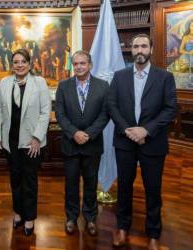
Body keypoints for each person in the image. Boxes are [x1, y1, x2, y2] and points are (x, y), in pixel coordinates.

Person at [108, 34, 177, 250]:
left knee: (153, 189)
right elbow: (112, 105)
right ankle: (122, 227)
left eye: (144, 46)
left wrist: (146, 130)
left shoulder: (164, 77)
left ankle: (154, 233)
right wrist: (127, 130)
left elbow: (170, 109)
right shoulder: (119, 76)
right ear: (131, 49)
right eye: (136, 46)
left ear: (151, 49)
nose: (139, 50)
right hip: (125, 140)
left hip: (153, 142)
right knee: (124, 188)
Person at [0, 48, 51, 236]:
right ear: (12, 64)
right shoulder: (4, 83)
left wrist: (37, 137)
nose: (19, 65)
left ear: (30, 63)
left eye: (23, 61)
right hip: (11, 141)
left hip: (32, 142)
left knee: (30, 181)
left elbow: (45, 112)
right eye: (16, 62)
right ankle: (18, 212)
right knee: (15, 179)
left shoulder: (39, 83)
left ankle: (30, 217)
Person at [55, 50, 109, 236]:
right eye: (75, 64)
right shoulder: (63, 86)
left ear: (90, 65)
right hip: (71, 144)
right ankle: (71, 217)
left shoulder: (103, 86)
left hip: (92, 145)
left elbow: (105, 114)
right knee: (71, 184)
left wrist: (89, 134)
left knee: (91, 183)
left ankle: (90, 217)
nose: (78, 67)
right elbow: (60, 114)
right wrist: (74, 133)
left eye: (82, 63)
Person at [179, 20, 193, 86]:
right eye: (192, 26)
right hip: (189, 57)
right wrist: (189, 52)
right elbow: (180, 50)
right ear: (189, 27)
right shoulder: (186, 37)